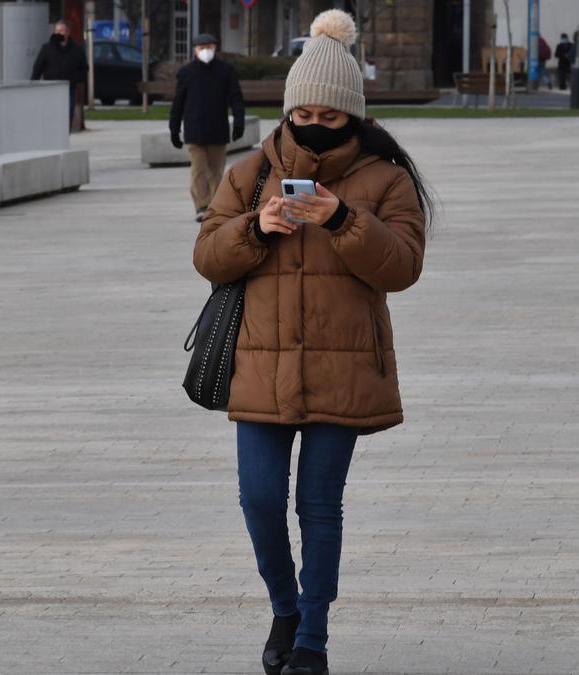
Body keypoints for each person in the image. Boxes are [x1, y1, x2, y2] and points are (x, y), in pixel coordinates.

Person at [192, 10, 430, 675]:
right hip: (260, 370)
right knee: (260, 500)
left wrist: (344, 218)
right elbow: (208, 255)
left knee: (319, 507)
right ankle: (286, 606)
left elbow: (404, 265)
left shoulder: (386, 179)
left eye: (332, 116)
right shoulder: (250, 176)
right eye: (306, 112)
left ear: (353, 116)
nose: (316, 125)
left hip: (344, 368)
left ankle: (312, 643)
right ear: (290, 108)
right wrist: (258, 228)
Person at [170, 33, 246, 222]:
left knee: (216, 171)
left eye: (209, 47)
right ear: (194, 50)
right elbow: (178, 102)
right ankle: (201, 205)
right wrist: (174, 128)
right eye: (200, 47)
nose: (205, 51)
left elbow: (236, 97)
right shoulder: (186, 72)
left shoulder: (226, 71)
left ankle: (216, 206)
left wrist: (239, 122)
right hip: (194, 129)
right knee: (199, 169)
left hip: (217, 128)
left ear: (215, 48)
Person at [31, 20, 89, 129]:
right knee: (51, 119)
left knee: (67, 119)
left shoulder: (76, 50)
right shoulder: (47, 48)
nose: (58, 33)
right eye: (57, 31)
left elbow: (84, 69)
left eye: (61, 31)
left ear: (67, 33)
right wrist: (33, 85)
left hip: (68, 90)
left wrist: (74, 79)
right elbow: (37, 68)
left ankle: (65, 140)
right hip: (51, 90)